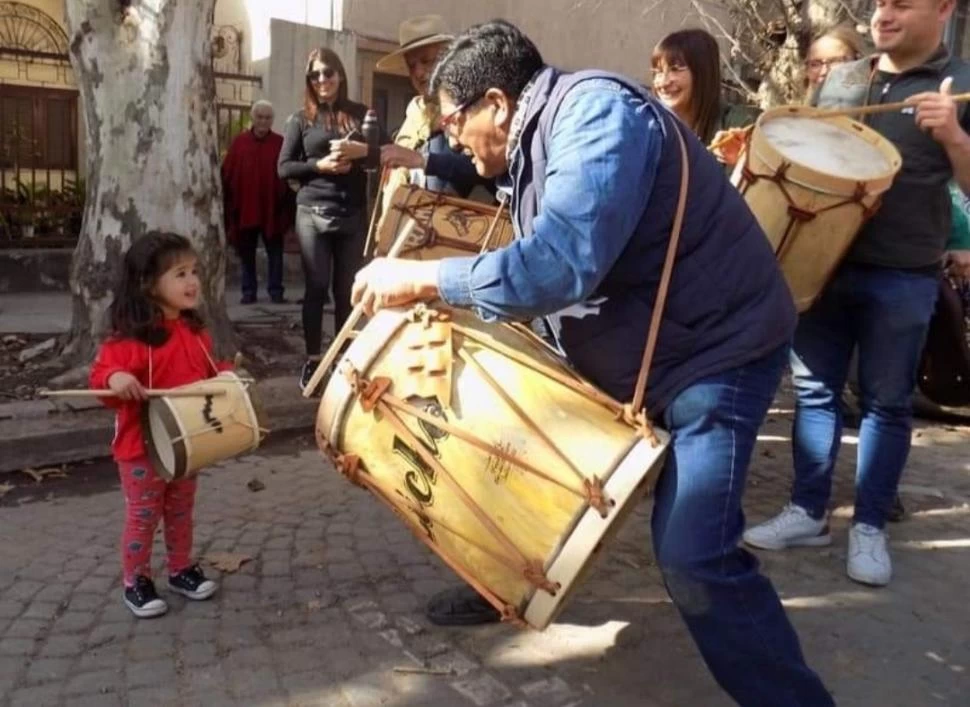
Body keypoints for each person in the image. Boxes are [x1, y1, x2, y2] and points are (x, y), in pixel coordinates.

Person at [350, 19, 833, 706]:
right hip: (650, 351)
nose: (449, 135)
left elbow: (561, 264)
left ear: (497, 102)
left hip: (714, 355)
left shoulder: (598, 114)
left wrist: (427, 279)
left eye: (454, 119)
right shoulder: (531, 141)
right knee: (494, 443)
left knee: (695, 558)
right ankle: (504, 582)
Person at [744, 0, 970, 587]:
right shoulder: (846, 79)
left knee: (886, 402)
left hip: (904, 272)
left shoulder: (964, 86)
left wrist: (953, 137)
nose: (882, 14)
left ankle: (869, 525)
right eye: (878, 4)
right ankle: (808, 513)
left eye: (901, 3)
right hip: (826, 266)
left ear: (943, 9)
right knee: (815, 393)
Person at [89, 233, 227, 618]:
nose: (192, 281)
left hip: (187, 443)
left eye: (194, 271)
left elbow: (212, 375)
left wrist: (232, 379)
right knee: (144, 514)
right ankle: (136, 580)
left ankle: (180, 569)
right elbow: (102, 376)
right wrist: (115, 379)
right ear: (148, 284)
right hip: (141, 448)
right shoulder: (129, 341)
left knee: (181, 510)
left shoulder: (195, 333)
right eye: (180, 273)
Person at [278, 48, 384, 392]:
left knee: (346, 292)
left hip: (351, 214)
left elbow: (382, 155)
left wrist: (362, 154)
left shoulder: (361, 115)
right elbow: (284, 167)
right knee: (316, 288)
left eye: (328, 73)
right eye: (315, 75)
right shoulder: (300, 119)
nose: (322, 80)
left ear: (340, 74)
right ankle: (313, 361)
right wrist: (318, 167)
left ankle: (344, 360)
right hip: (312, 213)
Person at [376, 15, 492, 216]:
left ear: (448, 59)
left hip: (462, 235)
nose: (419, 72)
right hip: (412, 233)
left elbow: (488, 171)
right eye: (411, 66)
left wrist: (423, 160)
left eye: (427, 61)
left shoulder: (472, 108)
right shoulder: (414, 116)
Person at [221, 100, 294, 305]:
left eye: (267, 117)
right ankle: (248, 291)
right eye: (260, 117)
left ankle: (276, 291)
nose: (263, 121)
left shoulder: (280, 143)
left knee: (275, 252)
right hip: (245, 208)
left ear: (272, 120)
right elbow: (228, 172)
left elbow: (288, 173)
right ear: (253, 118)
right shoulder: (239, 143)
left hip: (273, 209)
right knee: (247, 253)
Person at [804, 25, 866, 97]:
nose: (824, 71)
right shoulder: (796, 108)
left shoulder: (877, 106)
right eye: (815, 64)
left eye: (835, 61)